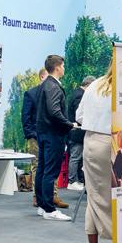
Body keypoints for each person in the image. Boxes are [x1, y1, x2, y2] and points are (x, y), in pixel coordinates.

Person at [75, 66, 112, 243]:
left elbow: (79, 116)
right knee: (113, 197)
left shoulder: (94, 84)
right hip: (110, 143)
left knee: (94, 196)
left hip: (90, 141)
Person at [35, 55, 76, 221]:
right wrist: (69, 124)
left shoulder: (44, 85)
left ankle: (42, 205)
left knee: (43, 170)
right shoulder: (53, 86)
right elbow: (54, 111)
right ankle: (49, 209)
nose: (64, 69)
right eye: (63, 66)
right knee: (50, 172)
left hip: (44, 133)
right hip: (53, 135)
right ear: (57, 67)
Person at [21, 68, 67, 208]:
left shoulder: (54, 91)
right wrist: (31, 135)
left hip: (51, 135)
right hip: (36, 137)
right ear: (42, 77)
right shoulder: (31, 93)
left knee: (52, 165)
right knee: (38, 166)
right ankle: (38, 196)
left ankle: (53, 195)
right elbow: (26, 117)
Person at [67, 76, 95, 191]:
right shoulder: (80, 95)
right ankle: (72, 180)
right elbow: (80, 115)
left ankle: (77, 180)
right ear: (88, 85)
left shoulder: (76, 93)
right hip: (77, 132)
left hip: (76, 132)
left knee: (78, 157)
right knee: (76, 157)